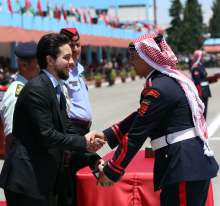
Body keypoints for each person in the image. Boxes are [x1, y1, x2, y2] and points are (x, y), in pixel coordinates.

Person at [96, 34, 219, 206]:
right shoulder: (167, 80)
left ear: (147, 58)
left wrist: (111, 171)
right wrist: (106, 135)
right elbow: (141, 116)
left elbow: (137, 134)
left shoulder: (157, 88)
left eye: (133, 57)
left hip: (182, 165)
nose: (130, 61)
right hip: (187, 164)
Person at [0, 33, 105, 206]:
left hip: (45, 181)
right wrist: (84, 142)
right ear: (50, 60)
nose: (72, 62)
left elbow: (67, 130)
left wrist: (94, 159)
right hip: (27, 183)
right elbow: (47, 135)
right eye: (66, 57)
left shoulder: (55, 88)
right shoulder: (36, 90)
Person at [58, 27, 95, 206]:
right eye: (71, 45)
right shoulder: (61, 71)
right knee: (70, 186)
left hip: (84, 130)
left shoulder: (78, 70)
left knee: (82, 182)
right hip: (71, 131)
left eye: (78, 45)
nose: (75, 49)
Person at [0, 42, 40, 154]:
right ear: (23, 65)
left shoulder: (31, 89)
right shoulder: (16, 94)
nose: (42, 67)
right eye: (38, 63)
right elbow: (12, 137)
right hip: (23, 164)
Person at [191, 50, 211, 120]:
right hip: (202, 92)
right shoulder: (196, 67)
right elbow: (198, 82)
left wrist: (213, 79)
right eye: (202, 56)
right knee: (202, 112)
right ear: (198, 57)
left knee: (204, 111)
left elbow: (204, 79)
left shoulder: (201, 66)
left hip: (205, 91)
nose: (204, 57)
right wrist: (200, 95)